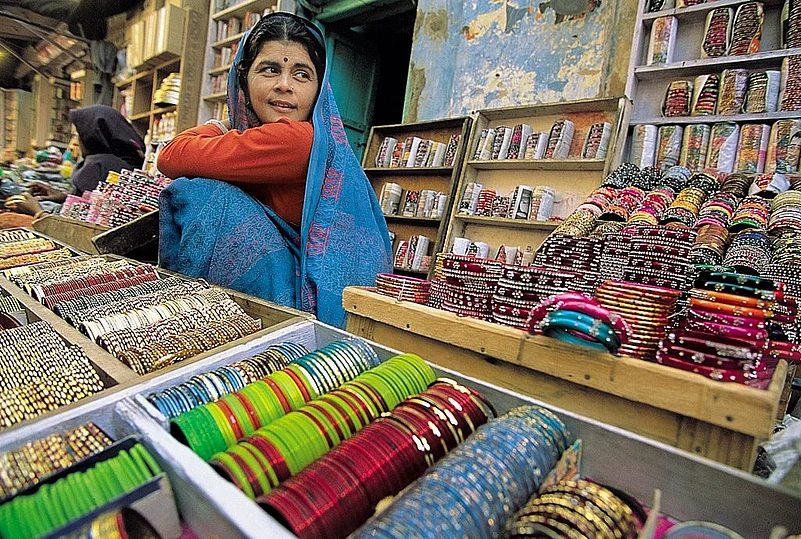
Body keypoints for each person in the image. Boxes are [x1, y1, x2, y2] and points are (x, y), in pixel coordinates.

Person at [156, 12, 392, 328]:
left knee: (199, 193)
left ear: (319, 90)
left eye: (302, 75)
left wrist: (222, 123)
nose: (285, 85)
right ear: (243, 78)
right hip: (320, 304)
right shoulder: (299, 140)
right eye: (270, 70)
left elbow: (172, 155)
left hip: (308, 310)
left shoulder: (297, 140)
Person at [2, 105, 145, 225]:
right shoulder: (125, 164)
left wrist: (37, 211)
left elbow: (81, 227)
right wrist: (65, 196)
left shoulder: (100, 164)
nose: (76, 142)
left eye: (79, 135)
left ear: (93, 137)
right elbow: (92, 203)